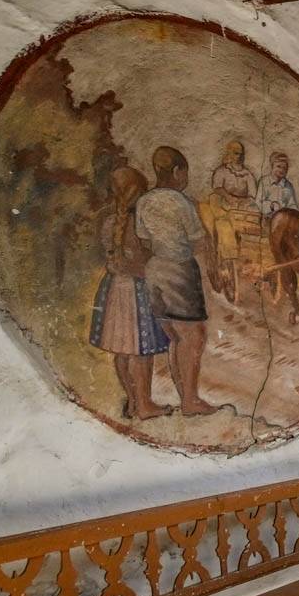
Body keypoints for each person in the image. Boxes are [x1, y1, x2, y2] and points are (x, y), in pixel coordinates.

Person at [135, 146, 225, 417]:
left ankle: (185, 396)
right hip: (179, 270)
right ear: (176, 171)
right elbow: (198, 240)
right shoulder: (181, 202)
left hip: (154, 270)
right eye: (185, 172)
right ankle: (190, 400)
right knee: (193, 336)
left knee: (175, 336)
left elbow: (143, 240)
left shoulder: (143, 201)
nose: (185, 178)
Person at [87, 165, 168, 420]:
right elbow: (143, 262)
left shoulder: (109, 222)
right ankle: (144, 405)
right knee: (142, 351)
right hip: (136, 291)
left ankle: (133, 401)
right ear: (136, 194)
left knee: (123, 350)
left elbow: (113, 261)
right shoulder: (140, 224)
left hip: (114, 291)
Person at [202, 139, 260, 300]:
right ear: (229, 153)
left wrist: (244, 201)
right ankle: (225, 256)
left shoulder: (247, 174)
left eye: (241, 154)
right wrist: (229, 197)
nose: (238, 156)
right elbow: (217, 188)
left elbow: (252, 194)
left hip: (241, 206)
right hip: (222, 203)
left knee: (254, 222)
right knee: (224, 225)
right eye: (235, 153)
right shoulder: (222, 171)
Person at [257, 151, 299, 220]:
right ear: (272, 166)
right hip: (267, 218)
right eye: (278, 166)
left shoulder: (288, 185)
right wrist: (271, 206)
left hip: (283, 220)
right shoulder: (264, 182)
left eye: (284, 168)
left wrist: (294, 212)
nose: (281, 170)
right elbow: (258, 203)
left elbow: (292, 204)